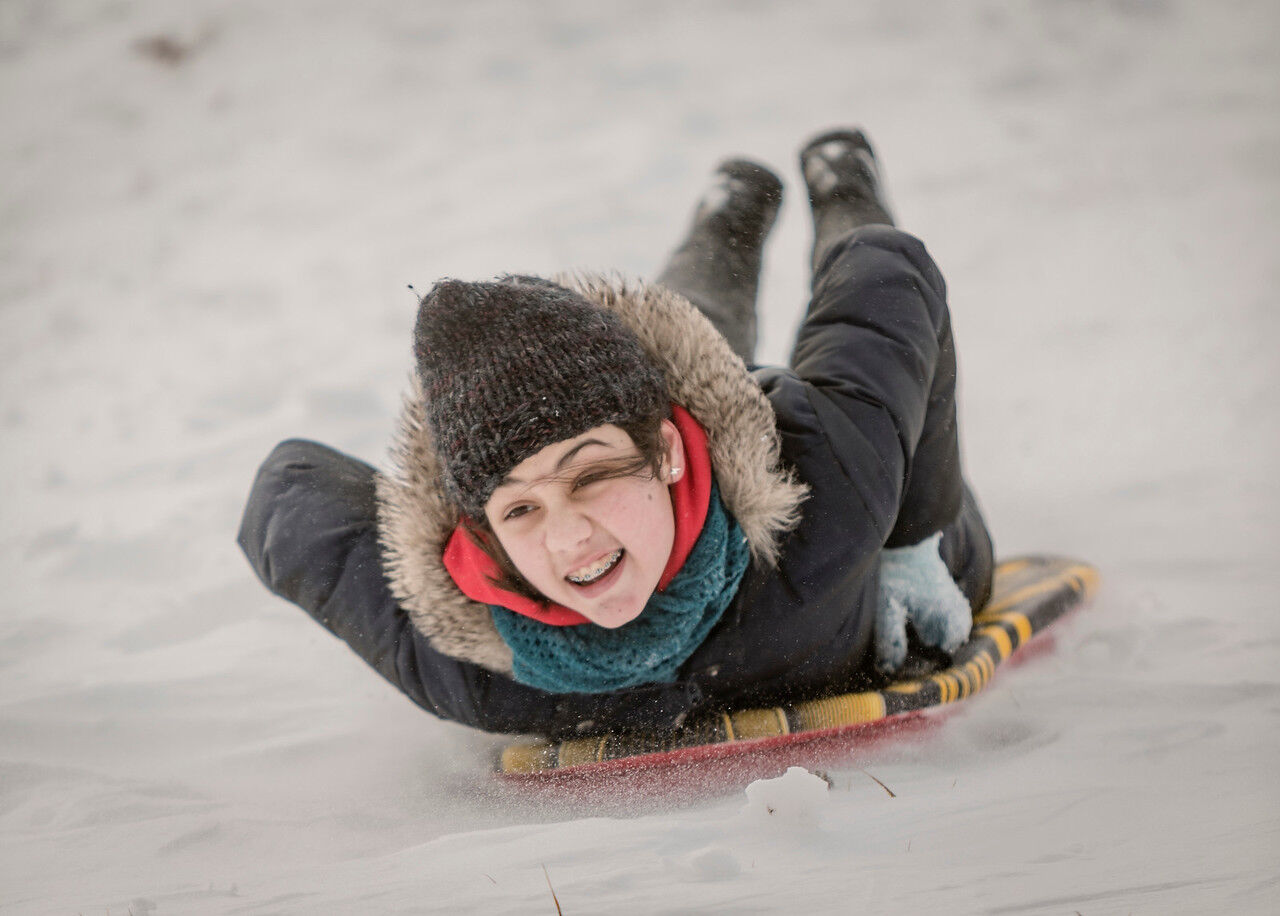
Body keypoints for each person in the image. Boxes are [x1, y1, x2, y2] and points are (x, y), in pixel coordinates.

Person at [238, 128, 994, 739]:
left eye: (590, 476)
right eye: (519, 509)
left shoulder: (833, 481)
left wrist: (911, 539)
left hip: (770, 450)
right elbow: (285, 489)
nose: (570, 540)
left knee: (690, 327)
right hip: (654, 432)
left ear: (666, 451)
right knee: (677, 318)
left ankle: (843, 176)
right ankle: (729, 209)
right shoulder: (470, 666)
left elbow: (885, 271)